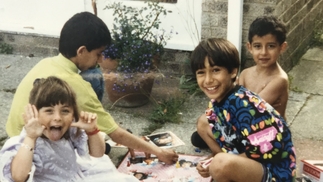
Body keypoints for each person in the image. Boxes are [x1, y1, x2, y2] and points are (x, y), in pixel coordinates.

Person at [5, 12, 178, 165]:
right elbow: (116, 133)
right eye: (98, 54)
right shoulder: (74, 83)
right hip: (33, 151)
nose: (101, 60)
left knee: (97, 137)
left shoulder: (45, 63)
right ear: (81, 51)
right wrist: (159, 152)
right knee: (99, 146)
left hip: (15, 139)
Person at [191, 38, 296, 181]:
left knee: (220, 164)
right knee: (204, 124)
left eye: (216, 70)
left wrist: (222, 163)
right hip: (250, 161)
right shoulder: (218, 102)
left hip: (274, 173)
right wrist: (214, 162)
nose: (208, 80)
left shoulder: (245, 105)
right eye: (201, 72)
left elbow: (272, 147)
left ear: (233, 72)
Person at [0, 76, 139, 181]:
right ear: (35, 113)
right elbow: (18, 177)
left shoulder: (69, 130)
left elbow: (98, 154)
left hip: (76, 176)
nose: (58, 117)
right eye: (49, 111)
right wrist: (30, 138)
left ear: (73, 113)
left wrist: (92, 131)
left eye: (65, 111)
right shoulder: (27, 142)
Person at [191, 15, 289, 150]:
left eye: (271, 46)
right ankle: (222, 156)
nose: (263, 52)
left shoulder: (279, 79)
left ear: (282, 47)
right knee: (202, 125)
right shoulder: (246, 73)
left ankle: (232, 160)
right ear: (249, 47)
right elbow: (231, 100)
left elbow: (251, 110)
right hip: (242, 125)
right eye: (257, 46)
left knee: (206, 129)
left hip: (263, 134)